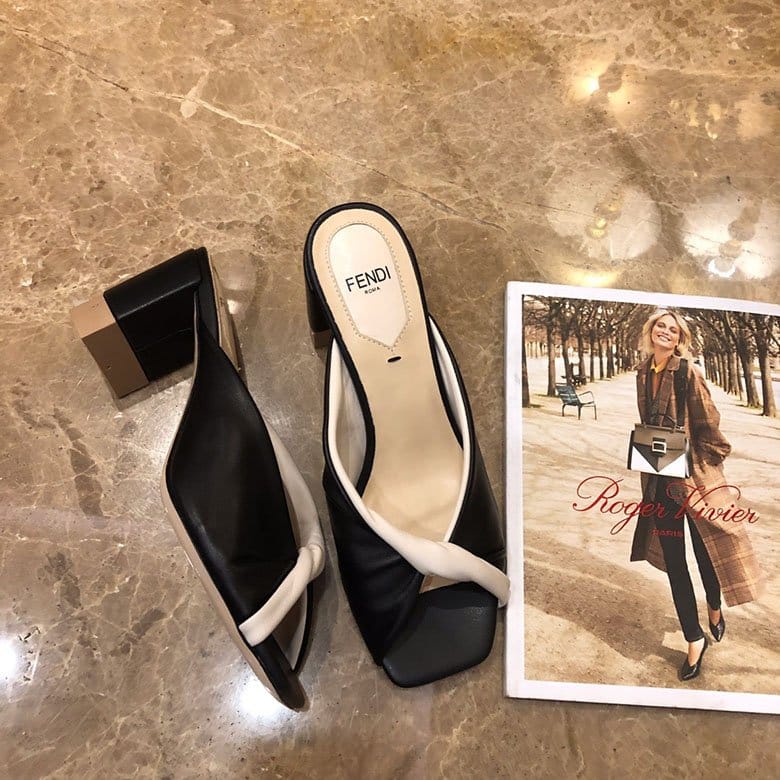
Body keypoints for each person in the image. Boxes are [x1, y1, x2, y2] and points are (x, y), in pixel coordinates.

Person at [629, 309, 762, 681]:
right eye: (660, 326)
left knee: (707, 553)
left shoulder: (688, 372)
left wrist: (703, 465)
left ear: (680, 338)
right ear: (650, 331)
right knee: (675, 562)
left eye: (673, 329)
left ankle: (714, 605)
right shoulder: (642, 372)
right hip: (660, 479)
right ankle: (694, 637)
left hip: (694, 481)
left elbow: (710, 424)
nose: (665, 332)